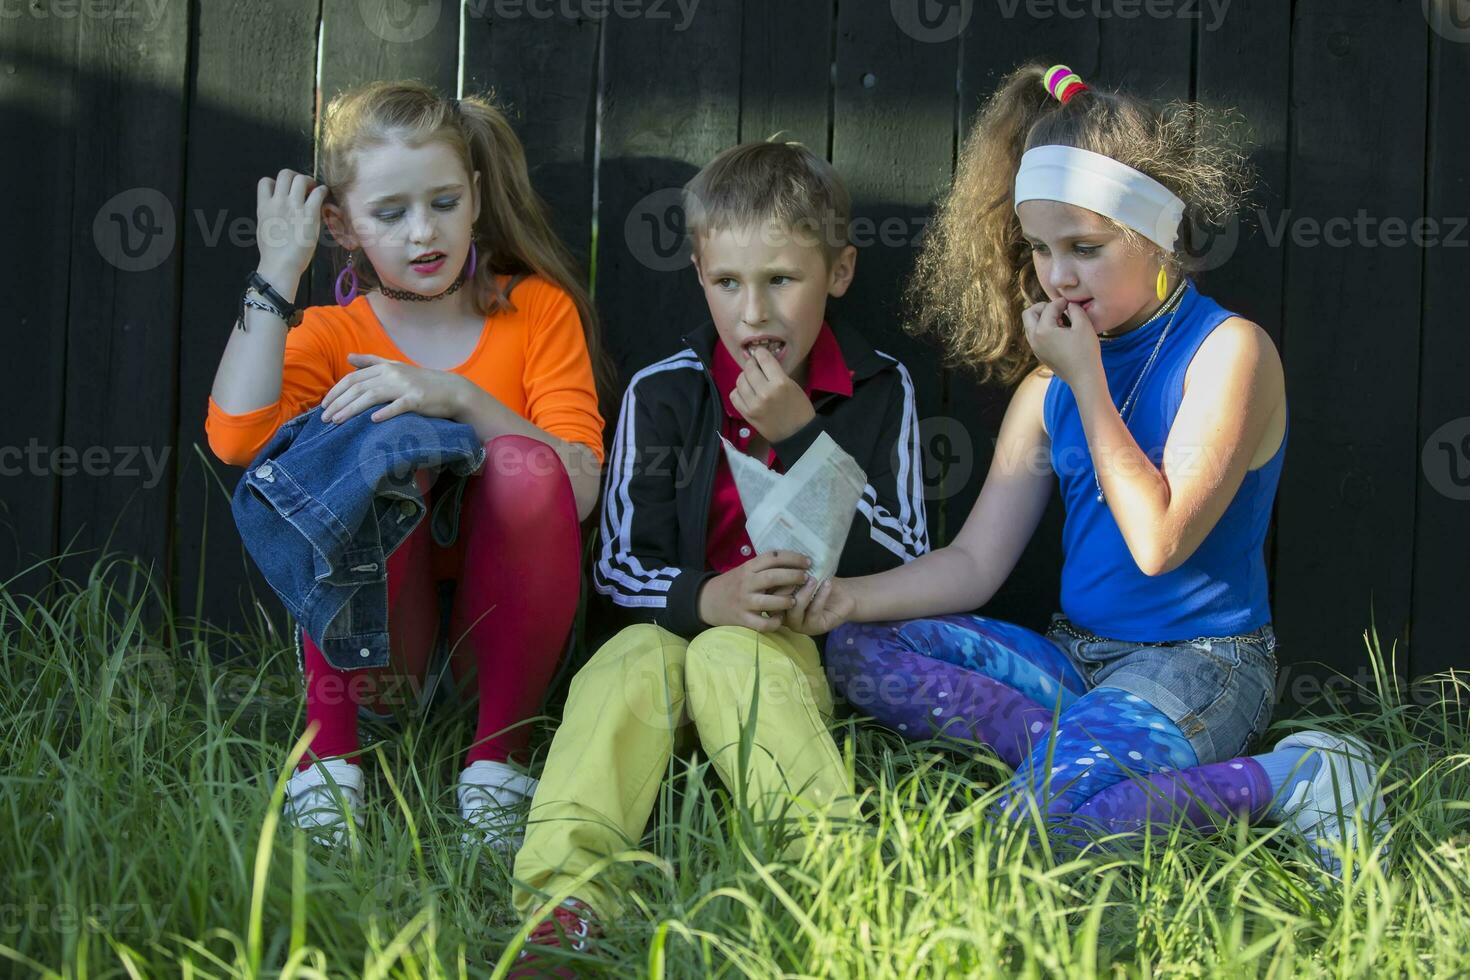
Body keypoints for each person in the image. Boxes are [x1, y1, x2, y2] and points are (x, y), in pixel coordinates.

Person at [783, 63, 1389, 880]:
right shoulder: (1051, 386)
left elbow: (1159, 544)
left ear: (1157, 234)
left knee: (1030, 833)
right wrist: (847, 598)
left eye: (1086, 248)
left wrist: (1089, 385)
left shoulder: (1228, 354)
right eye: (1040, 248)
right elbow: (974, 563)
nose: (1058, 276)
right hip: (1074, 663)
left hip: (1199, 666)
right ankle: (1087, 754)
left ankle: (1292, 777)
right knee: (859, 649)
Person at [507, 139, 929, 973]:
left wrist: (804, 438)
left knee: (739, 652)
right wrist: (710, 597)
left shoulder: (882, 390)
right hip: (670, 645)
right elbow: (619, 565)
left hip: (796, 663)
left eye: (782, 280)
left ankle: (834, 887)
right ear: (699, 273)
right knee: (630, 658)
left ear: (838, 273)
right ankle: (562, 905)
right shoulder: (664, 389)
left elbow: (908, 556)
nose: (754, 313)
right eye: (728, 283)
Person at [205, 81, 608, 851]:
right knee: (382, 445)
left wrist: (456, 398)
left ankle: (499, 767)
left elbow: (581, 488)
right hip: (379, 654)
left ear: (478, 196)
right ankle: (330, 765)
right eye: (390, 214)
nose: (424, 232)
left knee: (524, 464)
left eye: (445, 203)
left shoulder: (538, 312)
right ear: (342, 226)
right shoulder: (332, 334)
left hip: (501, 654)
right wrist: (277, 275)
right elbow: (236, 440)